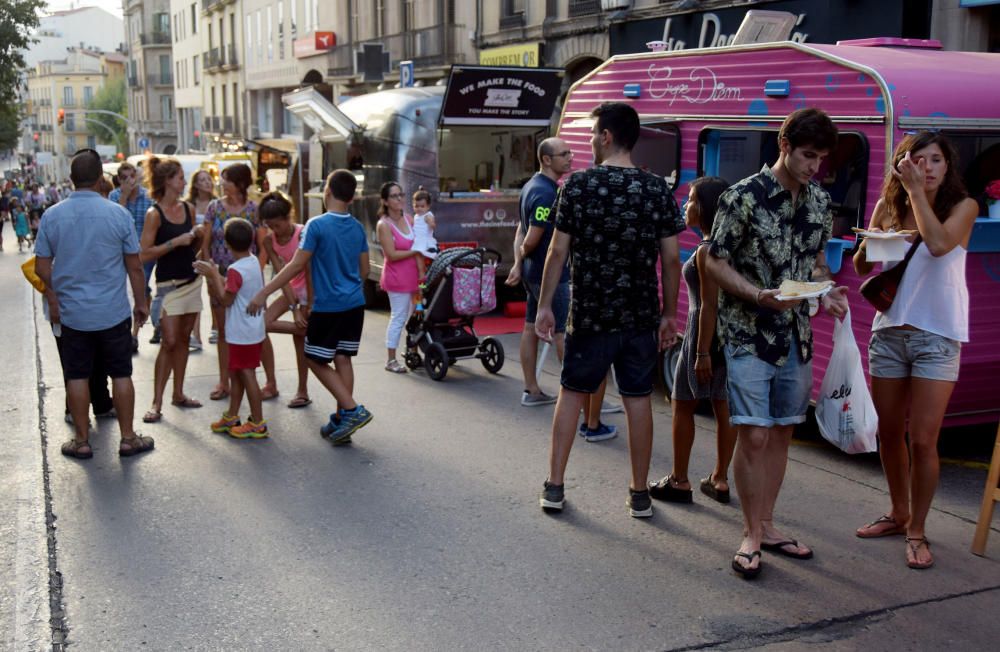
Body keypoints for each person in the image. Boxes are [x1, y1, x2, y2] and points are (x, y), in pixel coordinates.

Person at [703, 108, 848, 579]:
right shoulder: (741, 197)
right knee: (756, 433)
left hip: (796, 336)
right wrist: (757, 295)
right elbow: (713, 261)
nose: (814, 167)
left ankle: (767, 524)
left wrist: (827, 292)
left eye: (822, 159)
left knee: (783, 431)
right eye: (808, 155)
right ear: (784, 146)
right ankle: (750, 532)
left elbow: (817, 265)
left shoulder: (820, 203)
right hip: (747, 335)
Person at [535, 102, 685, 517]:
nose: (587, 142)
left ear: (606, 136)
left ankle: (555, 486)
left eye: (591, 134)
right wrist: (670, 315)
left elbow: (557, 251)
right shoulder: (657, 189)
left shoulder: (577, 187)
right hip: (640, 315)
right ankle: (639, 493)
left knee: (571, 394)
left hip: (589, 314)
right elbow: (671, 260)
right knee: (638, 399)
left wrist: (545, 305)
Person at [852, 132, 978, 570]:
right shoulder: (891, 203)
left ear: (948, 168)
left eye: (935, 160)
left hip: (937, 336)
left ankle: (918, 529)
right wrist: (874, 235)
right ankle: (897, 511)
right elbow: (862, 265)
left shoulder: (964, 208)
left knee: (923, 439)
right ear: (901, 162)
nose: (925, 167)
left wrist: (912, 193)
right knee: (889, 433)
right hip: (890, 332)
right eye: (916, 158)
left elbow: (941, 245)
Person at [34, 148, 154, 459]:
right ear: (101, 178)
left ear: (71, 179)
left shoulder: (52, 215)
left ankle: (82, 441)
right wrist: (141, 303)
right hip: (112, 311)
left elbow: (41, 266)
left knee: (76, 375)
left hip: (72, 314)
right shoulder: (118, 214)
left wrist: (53, 295)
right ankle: (128, 438)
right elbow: (135, 266)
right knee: (121, 373)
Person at [247, 169, 373, 445]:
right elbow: (364, 269)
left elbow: (296, 265)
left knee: (314, 358)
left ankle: (351, 410)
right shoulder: (357, 228)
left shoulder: (316, 225)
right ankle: (342, 421)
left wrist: (262, 293)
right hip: (354, 303)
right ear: (351, 198)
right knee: (342, 358)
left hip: (329, 306)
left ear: (327, 192)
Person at [648, 176, 738, 504]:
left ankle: (680, 480)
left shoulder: (706, 250)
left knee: (682, 404)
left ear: (704, 208)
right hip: (728, 337)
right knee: (724, 407)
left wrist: (701, 353)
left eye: (689, 200)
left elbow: (707, 305)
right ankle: (720, 478)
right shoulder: (732, 245)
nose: (685, 206)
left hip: (702, 335)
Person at [506, 137, 573, 409]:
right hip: (549, 275)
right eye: (563, 154)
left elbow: (519, 230)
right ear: (546, 160)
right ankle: (578, 398)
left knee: (531, 327)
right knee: (562, 333)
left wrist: (518, 263)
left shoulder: (530, 186)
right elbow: (532, 236)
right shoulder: (546, 192)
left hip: (533, 273)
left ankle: (531, 389)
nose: (570, 157)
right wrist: (522, 256)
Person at [200, 163, 276, 400]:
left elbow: (264, 246)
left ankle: (271, 381)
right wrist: (210, 272)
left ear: (240, 183)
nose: (223, 184)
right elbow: (206, 241)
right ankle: (225, 381)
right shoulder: (214, 207)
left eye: (227, 180)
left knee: (257, 328)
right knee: (224, 330)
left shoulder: (254, 210)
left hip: (247, 276)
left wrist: (254, 274)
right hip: (220, 273)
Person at [138, 157, 204, 423]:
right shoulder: (154, 214)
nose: (184, 181)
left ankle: (178, 393)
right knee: (169, 342)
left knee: (184, 339)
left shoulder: (187, 208)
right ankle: (156, 401)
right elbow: (143, 253)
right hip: (168, 285)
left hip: (191, 281)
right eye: (179, 177)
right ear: (167, 181)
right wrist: (175, 242)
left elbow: (195, 245)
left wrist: (198, 235)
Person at [195, 219, 268, 438]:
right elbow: (238, 287)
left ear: (226, 244)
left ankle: (257, 422)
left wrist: (213, 275)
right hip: (252, 330)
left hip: (241, 332)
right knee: (236, 374)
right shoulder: (253, 261)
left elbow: (225, 299)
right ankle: (232, 415)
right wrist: (219, 276)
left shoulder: (236, 269)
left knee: (246, 374)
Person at [259, 191, 313, 408]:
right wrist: (293, 309)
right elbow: (282, 276)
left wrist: (307, 306)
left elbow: (307, 271)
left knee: (299, 343)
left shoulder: (302, 234)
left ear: (288, 218)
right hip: (290, 288)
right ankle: (271, 382)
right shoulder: (269, 241)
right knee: (260, 325)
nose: (274, 231)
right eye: (269, 226)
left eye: (277, 226)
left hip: (309, 289)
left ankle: (303, 390)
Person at [109, 161, 156, 351]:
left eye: (132, 176)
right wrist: (124, 197)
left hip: (142, 253)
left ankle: (134, 335)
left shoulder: (147, 197)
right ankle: (127, 329)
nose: (129, 181)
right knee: (125, 292)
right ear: (119, 180)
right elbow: (113, 222)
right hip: (120, 253)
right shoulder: (114, 197)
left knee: (141, 287)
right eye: (124, 178)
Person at [375, 181, 421, 373]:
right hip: (396, 279)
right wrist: (415, 251)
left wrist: (422, 273)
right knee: (399, 317)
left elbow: (420, 245)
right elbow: (391, 255)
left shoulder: (409, 219)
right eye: (394, 196)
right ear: (385, 201)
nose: (399, 199)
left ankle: (412, 352)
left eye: (401, 194)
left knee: (416, 315)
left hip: (415, 278)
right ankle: (391, 360)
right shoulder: (383, 225)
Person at [186, 169, 216, 351]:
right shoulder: (189, 205)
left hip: (212, 252)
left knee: (214, 291)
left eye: (209, 179)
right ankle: (195, 334)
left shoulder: (216, 203)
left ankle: (215, 327)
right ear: (196, 184)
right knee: (194, 293)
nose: (207, 183)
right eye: (202, 180)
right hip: (194, 253)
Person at [411, 188, 438, 277]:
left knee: (420, 266)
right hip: (416, 241)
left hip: (424, 242)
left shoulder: (428, 216)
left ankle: (422, 286)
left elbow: (433, 226)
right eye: (416, 206)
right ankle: (419, 283)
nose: (419, 209)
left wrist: (431, 223)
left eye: (422, 206)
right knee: (416, 266)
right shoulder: (415, 216)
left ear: (428, 206)